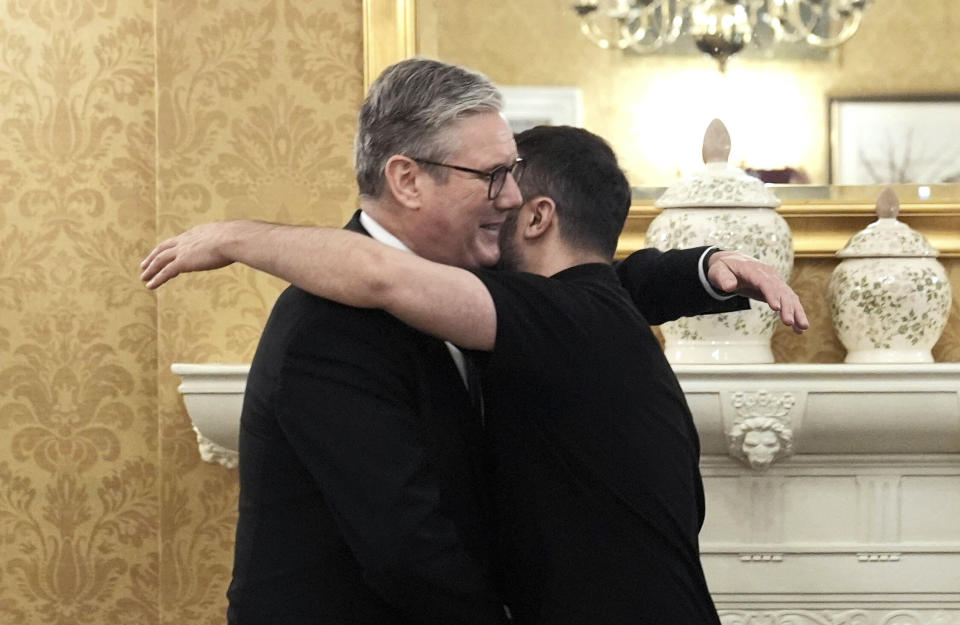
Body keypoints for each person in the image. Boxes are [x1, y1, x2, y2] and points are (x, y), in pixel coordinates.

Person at [142, 123, 808, 623]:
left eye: (510, 189)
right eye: (493, 179)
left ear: (541, 216)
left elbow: (379, 273)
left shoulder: (567, 317)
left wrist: (229, 238)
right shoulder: (592, 315)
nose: (501, 201)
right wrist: (699, 268)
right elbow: (616, 284)